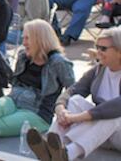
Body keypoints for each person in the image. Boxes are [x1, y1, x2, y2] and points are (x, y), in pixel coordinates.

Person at [28, 27, 121, 160]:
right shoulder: (99, 70)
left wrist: (77, 118)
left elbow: (116, 107)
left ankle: (68, 154)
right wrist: (61, 109)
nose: (98, 52)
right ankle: (51, 146)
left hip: (118, 135)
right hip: (101, 134)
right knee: (75, 100)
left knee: (115, 116)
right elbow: (73, 90)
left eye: (103, 49)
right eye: (97, 47)